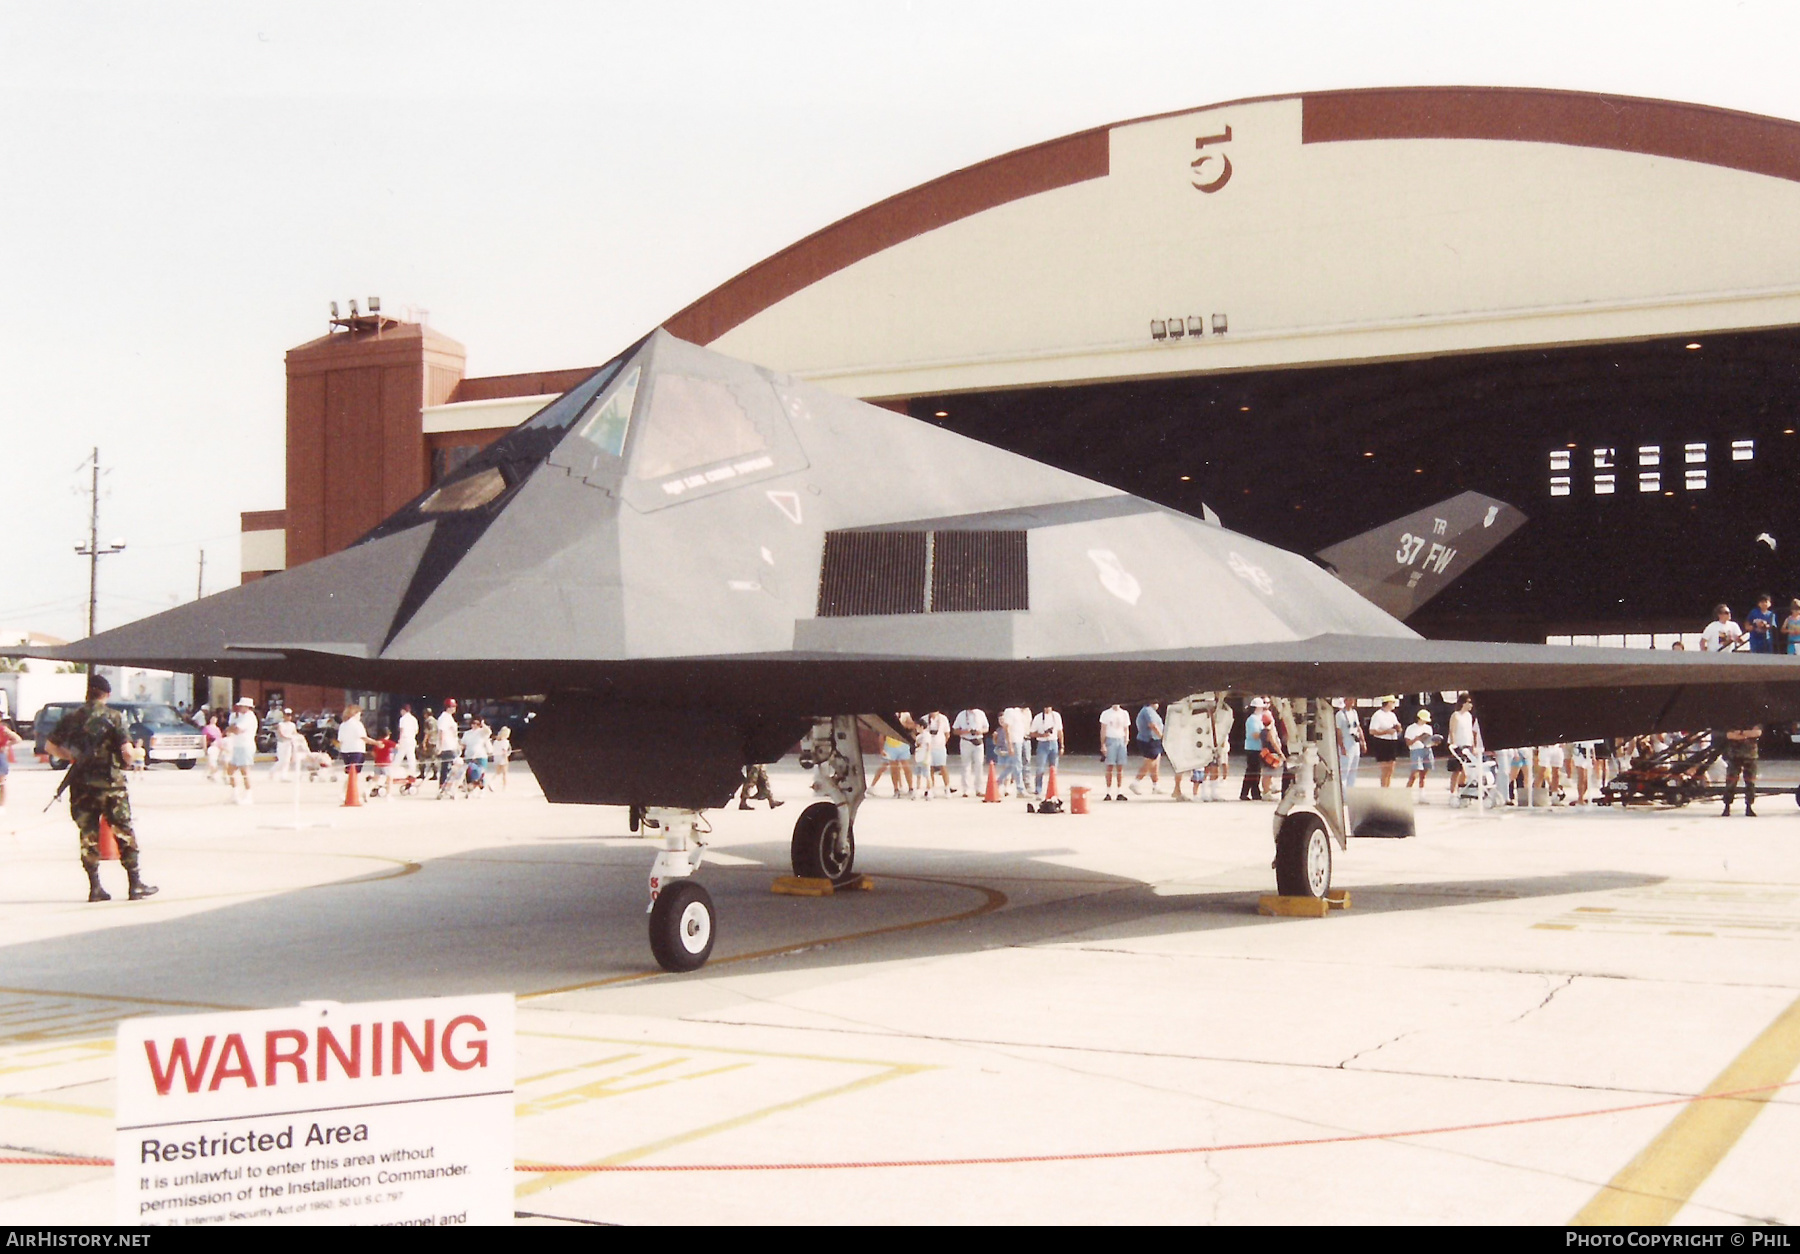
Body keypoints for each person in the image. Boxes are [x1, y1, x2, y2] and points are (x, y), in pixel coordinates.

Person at [45, 675, 157, 902]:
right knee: (123, 831)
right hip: (111, 786)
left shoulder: (72, 718)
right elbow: (126, 751)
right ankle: (135, 885)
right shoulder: (114, 717)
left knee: (88, 835)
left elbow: (50, 746)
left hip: (82, 787)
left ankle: (95, 887)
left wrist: (71, 757)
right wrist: (126, 763)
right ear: (106, 694)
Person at [1721, 725, 1762, 816]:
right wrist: (1747, 734)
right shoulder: (1733, 721)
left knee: (1750, 782)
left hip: (1750, 756)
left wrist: (1740, 733)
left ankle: (1749, 806)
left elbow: (1757, 733)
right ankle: (1727, 806)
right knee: (1731, 782)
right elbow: (1729, 735)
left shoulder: (1754, 720)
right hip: (1735, 756)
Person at [225, 697, 258, 805]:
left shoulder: (249, 717)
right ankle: (235, 794)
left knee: (245, 771)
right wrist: (232, 728)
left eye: (242, 705)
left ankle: (249, 796)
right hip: (237, 746)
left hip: (245, 746)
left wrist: (232, 728)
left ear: (247, 707)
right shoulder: (239, 716)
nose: (239, 707)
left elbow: (237, 730)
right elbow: (230, 728)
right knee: (230, 770)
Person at [870, 719, 915, 798]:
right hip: (890, 745)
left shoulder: (905, 715)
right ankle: (896, 789)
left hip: (902, 744)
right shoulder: (888, 717)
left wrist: (904, 725)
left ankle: (911, 788)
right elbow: (882, 733)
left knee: (906, 766)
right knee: (893, 768)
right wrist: (881, 749)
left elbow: (911, 726)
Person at [952, 707, 989, 797]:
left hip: (978, 741)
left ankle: (979, 789)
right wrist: (965, 731)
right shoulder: (961, 714)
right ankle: (966, 790)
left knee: (979, 765)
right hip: (966, 741)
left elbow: (986, 728)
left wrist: (980, 731)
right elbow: (955, 730)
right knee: (966, 766)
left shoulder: (980, 713)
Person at [1030, 704, 1064, 798]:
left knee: (1054, 769)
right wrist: (1042, 735)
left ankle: (1053, 790)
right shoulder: (1038, 717)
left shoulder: (1056, 716)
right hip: (1042, 744)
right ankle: (1038, 790)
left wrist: (1062, 745)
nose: (1047, 708)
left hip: (1054, 743)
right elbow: (1032, 733)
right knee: (1040, 769)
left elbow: (1060, 731)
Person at [1098, 702, 1131, 800]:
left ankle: (1119, 791)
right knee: (1109, 767)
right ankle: (1108, 792)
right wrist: (1103, 744)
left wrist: (1126, 739)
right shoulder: (1106, 713)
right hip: (1110, 739)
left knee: (1120, 767)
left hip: (1120, 739)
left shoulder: (1124, 713)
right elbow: (1103, 729)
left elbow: (1126, 728)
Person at [1368, 696, 1402, 787]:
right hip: (1382, 742)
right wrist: (1386, 731)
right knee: (1384, 769)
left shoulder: (1392, 715)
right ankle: (1383, 789)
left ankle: (1388, 787)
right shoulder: (1378, 715)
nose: (1394, 704)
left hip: (1392, 741)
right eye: (1393, 702)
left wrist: (1398, 728)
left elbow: (1397, 727)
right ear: (1388, 703)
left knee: (1391, 768)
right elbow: (1372, 731)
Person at [1130, 703, 1164, 795]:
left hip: (1155, 739)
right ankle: (1136, 782)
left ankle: (1156, 785)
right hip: (1149, 739)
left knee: (1156, 761)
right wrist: (1161, 736)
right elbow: (1152, 725)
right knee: (1150, 761)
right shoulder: (1147, 710)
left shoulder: (1152, 711)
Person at [1239, 697, 1268, 801]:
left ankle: (1253, 793)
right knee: (1252, 772)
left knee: (1254, 772)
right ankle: (1248, 793)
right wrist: (1266, 733)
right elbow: (1255, 734)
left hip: (1256, 748)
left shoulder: (1257, 718)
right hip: (1253, 748)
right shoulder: (1253, 719)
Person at [1446, 695, 1475, 799]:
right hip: (1458, 745)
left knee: (1466, 770)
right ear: (1464, 703)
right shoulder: (1456, 715)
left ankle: (1462, 790)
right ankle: (1452, 793)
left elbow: (1470, 731)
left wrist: (1473, 745)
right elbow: (1452, 730)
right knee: (1456, 770)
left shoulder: (1469, 716)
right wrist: (1453, 744)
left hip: (1467, 745)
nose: (1471, 705)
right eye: (1469, 702)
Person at [337, 704, 368, 799]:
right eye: (359, 714)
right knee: (355, 773)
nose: (360, 716)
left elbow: (340, 739)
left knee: (350, 773)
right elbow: (363, 737)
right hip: (357, 750)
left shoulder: (343, 725)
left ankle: (355, 792)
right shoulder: (357, 724)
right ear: (355, 714)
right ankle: (352, 793)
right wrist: (376, 743)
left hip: (346, 750)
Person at [1404, 709, 1435, 802]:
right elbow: (1408, 743)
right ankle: (1406, 794)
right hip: (1415, 750)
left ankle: (1422, 796)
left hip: (1427, 750)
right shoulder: (1411, 728)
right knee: (1414, 774)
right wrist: (1417, 739)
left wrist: (1434, 743)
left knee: (1423, 775)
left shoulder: (1428, 728)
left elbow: (1430, 741)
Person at [1334, 698, 1365, 787]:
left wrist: (1363, 741)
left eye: (1353, 700)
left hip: (1355, 742)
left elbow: (1358, 727)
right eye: (1350, 700)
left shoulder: (1354, 712)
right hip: (1346, 741)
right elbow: (1338, 731)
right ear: (1345, 701)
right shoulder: (1340, 715)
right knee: (1345, 768)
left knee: (1353, 769)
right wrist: (1342, 746)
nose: (1352, 702)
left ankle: (1351, 789)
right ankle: (1343, 792)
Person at [434, 700, 461, 798]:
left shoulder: (449, 717)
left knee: (446, 768)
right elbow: (442, 732)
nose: (455, 708)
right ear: (449, 707)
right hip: (447, 746)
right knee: (453, 767)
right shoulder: (444, 717)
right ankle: (447, 787)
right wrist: (440, 747)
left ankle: (444, 787)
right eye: (453, 706)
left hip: (451, 746)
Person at [924, 710, 953, 796]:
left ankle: (947, 787)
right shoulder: (925, 719)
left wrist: (942, 743)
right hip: (928, 748)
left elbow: (947, 734)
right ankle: (931, 788)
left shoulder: (943, 718)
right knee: (930, 768)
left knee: (943, 767)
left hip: (940, 747)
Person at [459, 715, 491, 793]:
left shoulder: (482, 732)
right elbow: (463, 744)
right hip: (469, 756)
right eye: (473, 723)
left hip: (480, 756)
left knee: (480, 774)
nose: (475, 725)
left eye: (477, 723)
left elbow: (489, 732)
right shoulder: (467, 733)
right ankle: (469, 789)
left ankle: (482, 789)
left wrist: (483, 724)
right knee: (469, 774)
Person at [367, 726, 397, 799]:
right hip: (386, 763)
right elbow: (397, 746)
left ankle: (367, 790)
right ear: (388, 735)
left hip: (378, 763)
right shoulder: (388, 742)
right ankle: (388, 795)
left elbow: (373, 753)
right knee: (389, 778)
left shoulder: (378, 743)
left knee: (375, 779)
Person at [271, 707, 300, 782]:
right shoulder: (281, 724)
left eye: (289, 715)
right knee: (281, 761)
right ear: (283, 716)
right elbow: (281, 734)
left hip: (289, 744)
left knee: (287, 761)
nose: (288, 717)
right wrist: (289, 738)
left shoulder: (292, 725)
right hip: (282, 744)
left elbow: (295, 733)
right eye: (286, 715)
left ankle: (284, 776)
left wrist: (296, 738)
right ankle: (272, 772)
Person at [395, 703, 420, 783]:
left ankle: (393, 772)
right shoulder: (414, 719)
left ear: (403, 710)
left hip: (404, 739)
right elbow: (416, 731)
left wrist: (399, 739)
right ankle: (413, 773)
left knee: (399, 756)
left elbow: (402, 730)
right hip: (412, 740)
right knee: (411, 757)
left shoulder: (403, 719)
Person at [0, 717, 20, 815]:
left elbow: (18, 739)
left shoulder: (3, 730)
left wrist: (7, 745)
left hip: (0, 757)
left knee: (1, 783)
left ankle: (1, 806)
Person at [491, 725, 513, 790]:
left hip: (496, 757)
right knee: (504, 773)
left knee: (497, 772)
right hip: (502, 758)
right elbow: (504, 751)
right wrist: (506, 757)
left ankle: (492, 782)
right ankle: (504, 786)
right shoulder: (505, 742)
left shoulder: (496, 741)